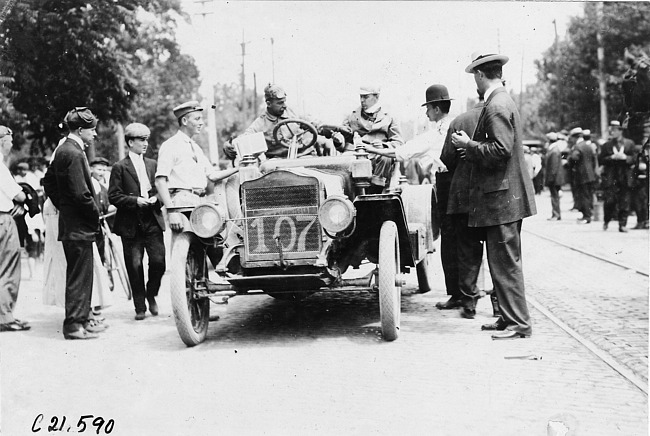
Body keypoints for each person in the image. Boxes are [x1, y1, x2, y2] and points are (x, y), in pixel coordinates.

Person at [451, 51, 536, 340]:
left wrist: (470, 145)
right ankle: (507, 319)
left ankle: (518, 324)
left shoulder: (496, 105)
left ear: (479, 75)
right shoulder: (502, 101)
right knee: (502, 262)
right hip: (503, 198)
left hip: (502, 200)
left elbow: (501, 150)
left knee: (505, 264)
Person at [42, 107, 106, 340]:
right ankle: (73, 326)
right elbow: (81, 194)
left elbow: (48, 182)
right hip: (79, 226)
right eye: (92, 130)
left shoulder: (63, 149)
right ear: (81, 130)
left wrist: (63, 205)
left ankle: (81, 321)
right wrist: (94, 212)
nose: (95, 135)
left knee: (79, 275)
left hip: (71, 224)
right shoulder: (75, 153)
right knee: (80, 277)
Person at [109, 123, 166, 320]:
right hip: (130, 224)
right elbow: (114, 196)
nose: (145, 143)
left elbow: (161, 188)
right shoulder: (119, 167)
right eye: (141, 140)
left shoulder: (152, 164)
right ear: (130, 142)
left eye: (146, 139)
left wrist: (156, 199)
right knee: (134, 265)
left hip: (152, 219)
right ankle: (140, 306)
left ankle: (152, 294)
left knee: (159, 262)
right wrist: (135, 201)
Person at [155, 100, 239, 233]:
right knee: (182, 248)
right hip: (181, 205)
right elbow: (160, 181)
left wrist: (239, 168)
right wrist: (171, 212)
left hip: (200, 203)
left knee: (207, 248)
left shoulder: (196, 148)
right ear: (184, 121)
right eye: (197, 118)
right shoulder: (170, 145)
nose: (202, 123)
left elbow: (213, 175)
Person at [437, 91, 485, 310]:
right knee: (496, 250)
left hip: (463, 193)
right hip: (493, 196)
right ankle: (497, 303)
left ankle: (468, 301)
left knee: (466, 246)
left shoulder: (460, 121)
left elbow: (446, 157)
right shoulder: (503, 115)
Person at [224, 84, 328, 160]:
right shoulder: (260, 123)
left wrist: (330, 129)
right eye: (280, 103)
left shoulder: (293, 112)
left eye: (284, 101)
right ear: (268, 104)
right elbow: (246, 136)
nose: (284, 105)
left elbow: (315, 124)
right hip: (278, 163)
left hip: (303, 156)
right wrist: (229, 145)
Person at [333, 86, 404, 193]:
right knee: (342, 162)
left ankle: (375, 191)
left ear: (377, 97)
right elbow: (343, 144)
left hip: (378, 155)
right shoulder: (351, 116)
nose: (362, 100)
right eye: (361, 97)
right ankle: (346, 193)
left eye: (366, 97)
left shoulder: (389, 118)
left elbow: (398, 143)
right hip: (355, 153)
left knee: (386, 158)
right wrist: (338, 141)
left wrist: (383, 146)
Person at [0, 126, 30, 332]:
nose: (11, 145)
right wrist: (24, 199)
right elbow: (18, 195)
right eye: (10, 141)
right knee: (8, 268)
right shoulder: (0, 166)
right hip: (3, 218)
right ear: (2, 141)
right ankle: (5, 316)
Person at [599, 120, 636, 232]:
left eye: (614, 130)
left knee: (625, 201)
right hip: (611, 176)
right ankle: (607, 220)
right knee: (610, 201)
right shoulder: (606, 145)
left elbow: (634, 158)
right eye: (611, 130)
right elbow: (601, 159)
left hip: (625, 176)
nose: (612, 132)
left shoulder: (629, 143)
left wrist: (626, 158)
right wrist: (611, 158)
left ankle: (622, 224)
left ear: (620, 131)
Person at [568, 127, 597, 224]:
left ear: (575, 137)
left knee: (583, 196)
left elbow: (574, 157)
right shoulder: (588, 145)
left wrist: (570, 161)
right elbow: (593, 160)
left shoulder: (577, 146)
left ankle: (586, 216)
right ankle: (589, 214)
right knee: (588, 195)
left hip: (582, 175)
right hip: (590, 174)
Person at [544, 132, 565, 221]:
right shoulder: (555, 150)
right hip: (556, 178)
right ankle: (555, 214)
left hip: (554, 178)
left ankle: (556, 214)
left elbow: (553, 167)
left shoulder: (553, 151)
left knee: (554, 196)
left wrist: (550, 179)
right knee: (555, 196)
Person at [630, 140, 649, 229]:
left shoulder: (642, 159)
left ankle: (643, 221)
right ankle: (642, 221)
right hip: (639, 184)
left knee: (641, 203)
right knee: (640, 203)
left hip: (642, 184)